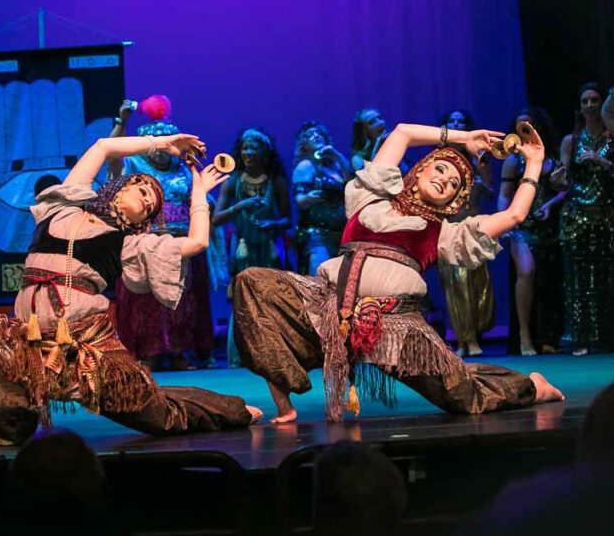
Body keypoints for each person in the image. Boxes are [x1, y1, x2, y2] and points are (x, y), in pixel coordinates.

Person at [0, 133, 260, 447]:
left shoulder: (129, 243)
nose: (147, 199)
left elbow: (197, 241)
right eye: (142, 189)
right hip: (23, 346)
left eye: (152, 205)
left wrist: (199, 194)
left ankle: (232, 409)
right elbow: (102, 147)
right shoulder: (60, 207)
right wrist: (162, 143)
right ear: (118, 188)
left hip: (83, 353)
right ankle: (12, 414)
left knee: (162, 415)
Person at [231, 121, 563, 424]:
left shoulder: (442, 232)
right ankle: (284, 403)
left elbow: (514, 216)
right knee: (253, 284)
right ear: (418, 171)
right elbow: (402, 132)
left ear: (452, 199)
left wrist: (533, 163)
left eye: (452, 184)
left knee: (464, 396)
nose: (443, 180)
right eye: (440, 169)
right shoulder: (368, 198)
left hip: (396, 327)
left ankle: (533, 386)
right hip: (329, 310)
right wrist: (465, 138)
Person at [108, 104, 214, 370]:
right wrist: (122, 121)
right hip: (145, 244)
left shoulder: (184, 169)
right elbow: (111, 155)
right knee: (144, 302)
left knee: (181, 300)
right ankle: (145, 352)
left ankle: (180, 351)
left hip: (180, 242)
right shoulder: (133, 165)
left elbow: (204, 202)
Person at [212, 127, 291, 366]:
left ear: (264, 152)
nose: (248, 152)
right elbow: (216, 218)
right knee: (242, 300)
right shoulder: (233, 181)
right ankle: (240, 356)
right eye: (245, 148)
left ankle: (273, 355)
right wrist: (241, 206)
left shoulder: (276, 181)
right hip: (243, 248)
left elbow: (288, 219)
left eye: (254, 148)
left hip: (267, 248)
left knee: (270, 298)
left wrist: (273, 224)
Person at [554, 83, 614, 355]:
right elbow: (564, 179)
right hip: (577, 215)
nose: (590, 106)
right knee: (578, 280)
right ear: (579, 109)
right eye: (585, 102)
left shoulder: (613, 137)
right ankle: (579, 338)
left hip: (608, 214)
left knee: (608, 278)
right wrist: (557, 180)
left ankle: (607, 336)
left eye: (594, 100)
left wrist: (605, 164)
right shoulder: (572, 140)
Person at [498, 107, 565, 356]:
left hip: (548, 225)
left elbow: (564, 188)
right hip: (521, 226)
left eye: (527, 125)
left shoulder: (552, 157)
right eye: (518, 126)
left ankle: (547, 338)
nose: (522, 130)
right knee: (526, 271)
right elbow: (504, 196)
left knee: (548, 280)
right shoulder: (512, 161)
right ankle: (524, 335)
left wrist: (553, 202)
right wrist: (504, 223)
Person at [435, 110, 495, 357]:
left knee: (480, 286)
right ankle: (464, 340)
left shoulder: (479, 157)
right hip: (450, 227)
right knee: (456, 285)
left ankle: (474, 333)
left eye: (462, 122)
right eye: (453, 122)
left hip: (475, 226)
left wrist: (480, 178)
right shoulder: (439, 158)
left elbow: (490, 191)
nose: (458, 125)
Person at [291, 122, 350, 276]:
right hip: (317, 236)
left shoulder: (335, 167)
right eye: (309, 135)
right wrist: (309, 198)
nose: (315, 136)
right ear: (304, 145)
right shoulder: (306, 165)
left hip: (341, 234)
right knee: (321, 281)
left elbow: (352, 182)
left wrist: (337, 155)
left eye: (318, 133)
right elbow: (300, 200)